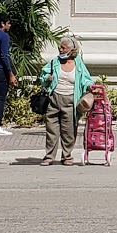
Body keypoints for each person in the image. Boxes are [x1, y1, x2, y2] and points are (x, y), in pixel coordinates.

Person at [36, 36, 99, 165]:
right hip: (54, 99)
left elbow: (86, 79)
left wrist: (90, 86)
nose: (60, 50)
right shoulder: (55, 62)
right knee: (51, 130)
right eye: (60, 47)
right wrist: (47, 78)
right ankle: (49, 157)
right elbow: (43, 75)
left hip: (70, 100)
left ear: (72, 50)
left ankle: (67, 157)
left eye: (63, 48)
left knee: (69, 130)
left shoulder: (78, 64)